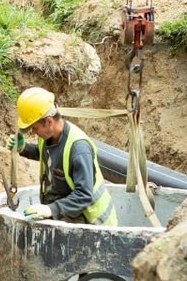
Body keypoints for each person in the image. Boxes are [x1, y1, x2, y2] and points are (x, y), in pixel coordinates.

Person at [7, 87, 117, 226]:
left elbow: (83, 195)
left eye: (34, 128)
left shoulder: (78, 148)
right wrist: (23, 148)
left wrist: (51, 209)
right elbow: (49, 155)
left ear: (49, 121)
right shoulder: (48, 135)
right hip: (68, 212)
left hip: (92, 225)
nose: (33, 132)